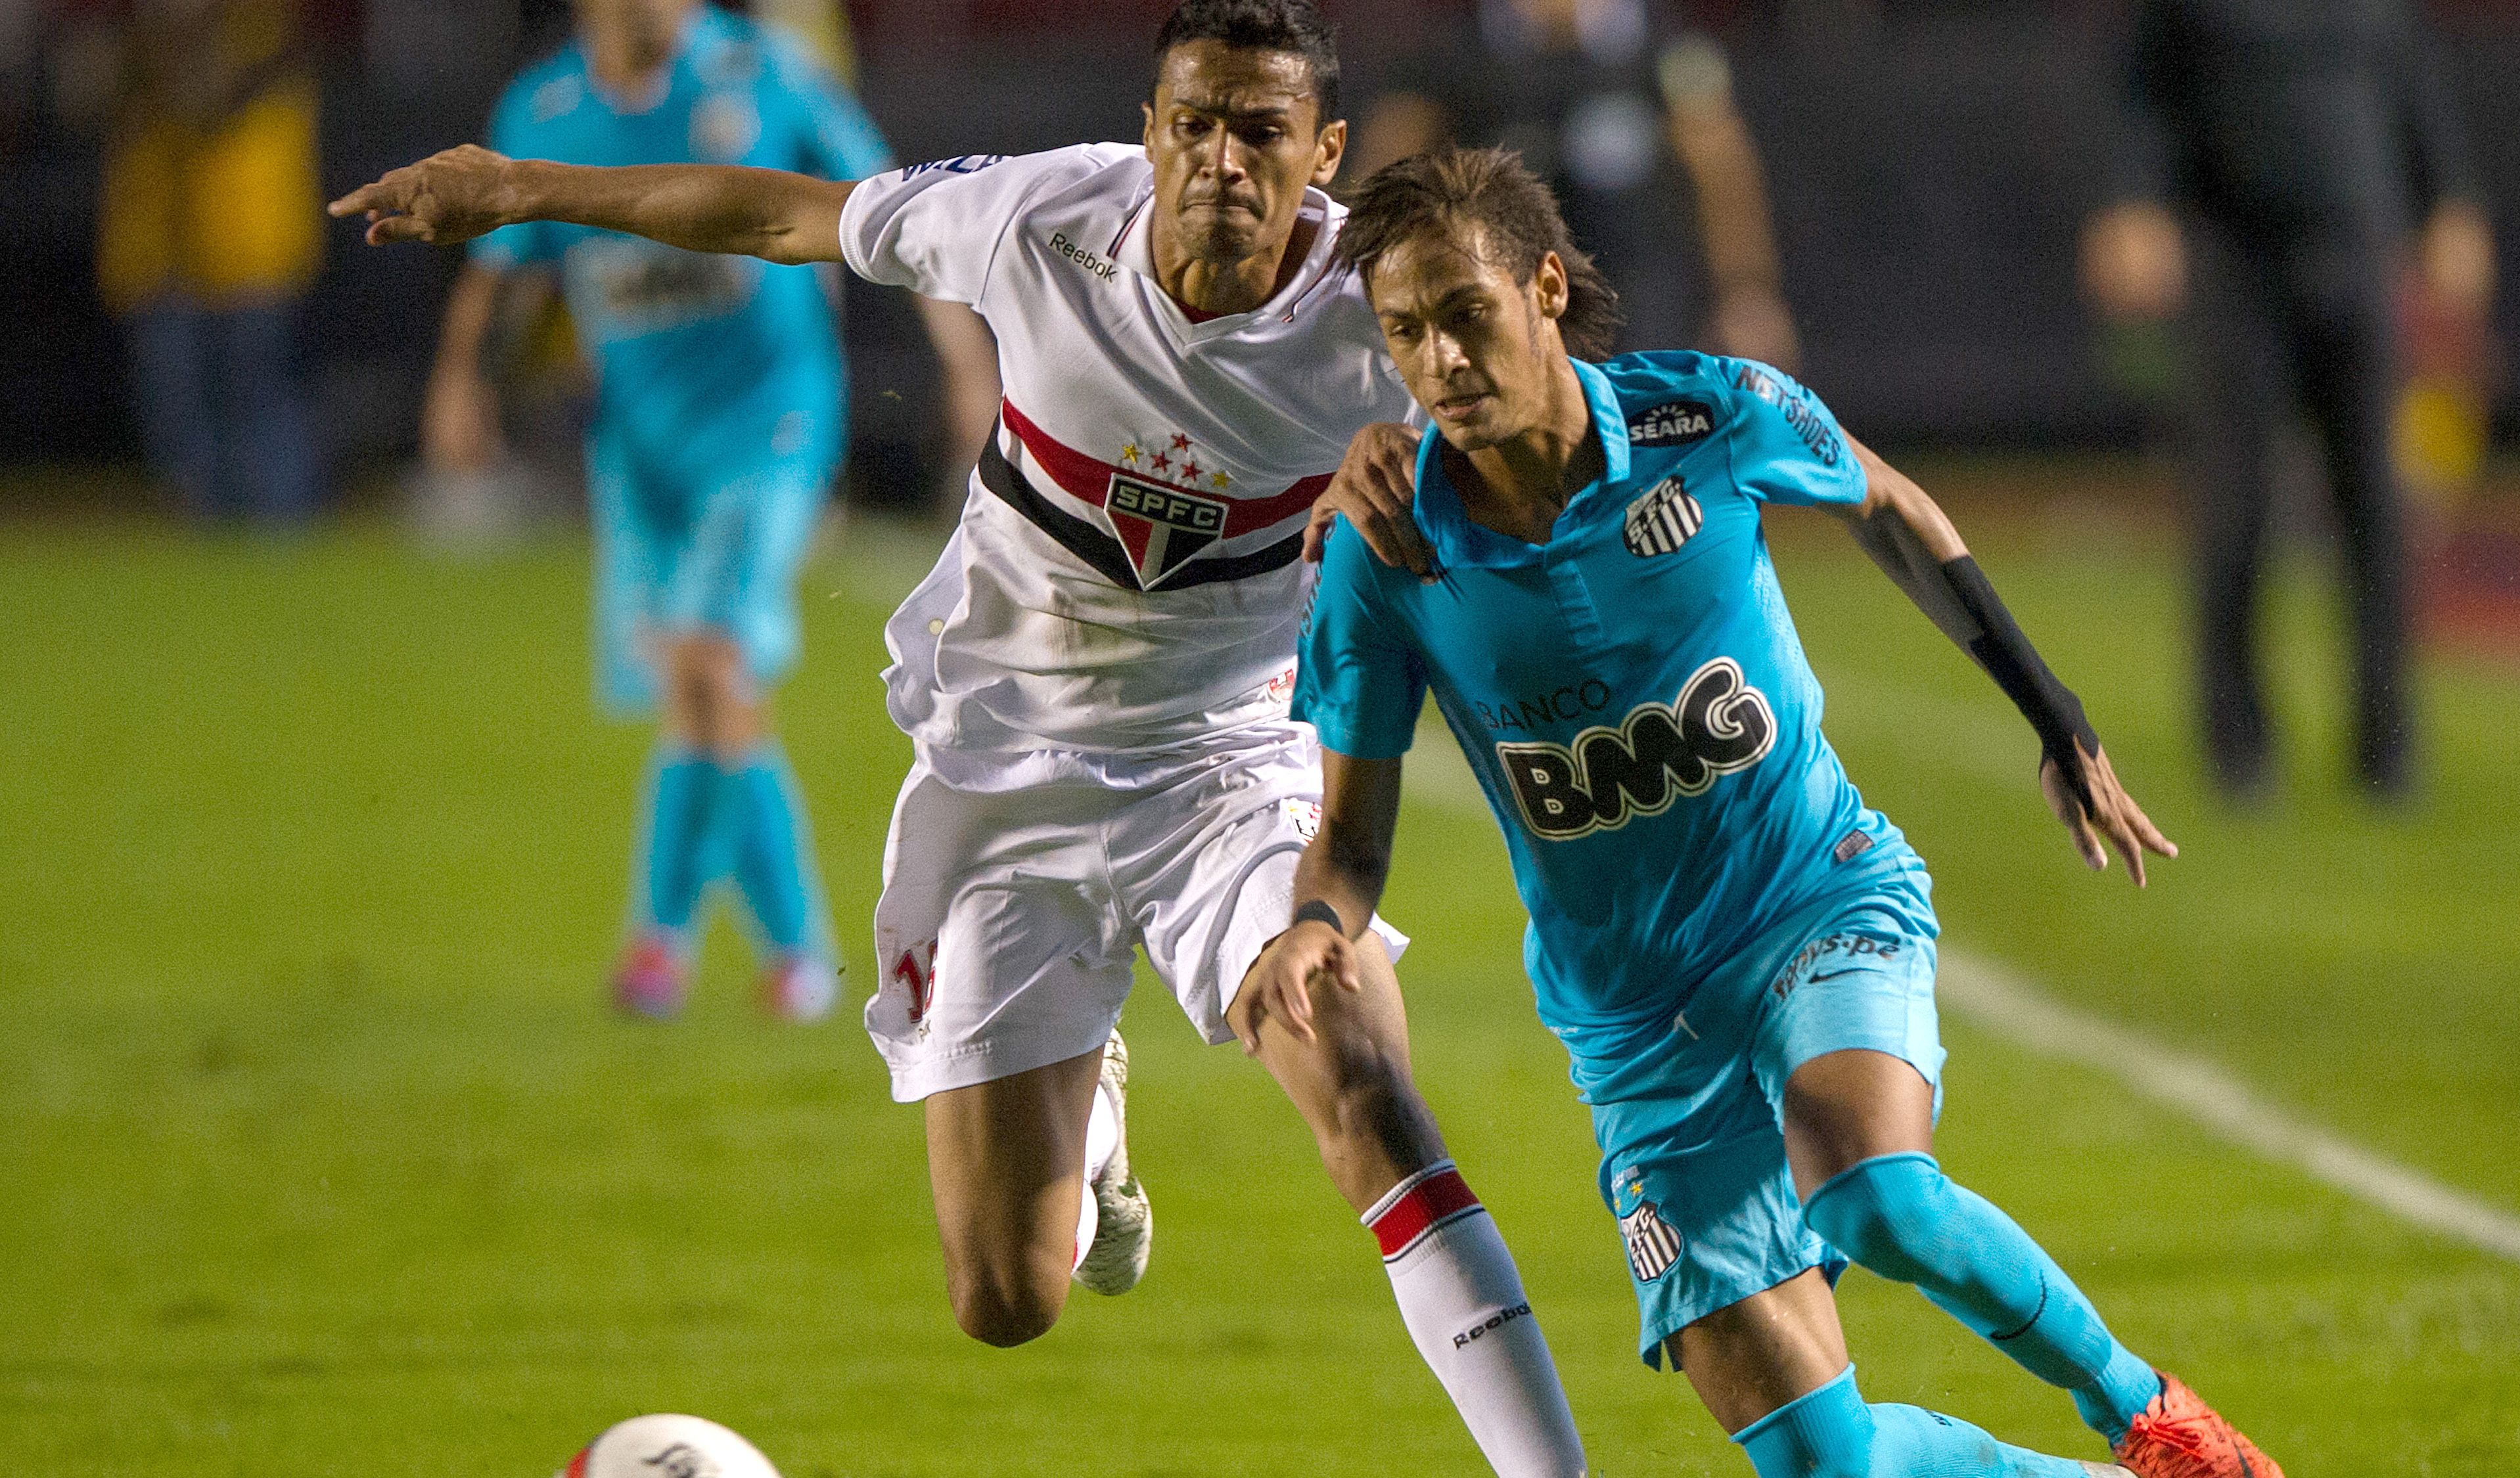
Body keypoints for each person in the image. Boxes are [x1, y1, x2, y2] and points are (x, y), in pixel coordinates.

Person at [332, 5, 1590, 1473]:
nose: (1221, 162)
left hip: (1227, 767)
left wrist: (1456, 476)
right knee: (1006, 1299)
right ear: (1149, 131)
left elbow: (1548, 400)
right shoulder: (1038, 219)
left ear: (1319, 153)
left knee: (1361, 1074)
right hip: (1007, 769)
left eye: (1261, 131)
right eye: (1193, 122)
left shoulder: (1370, 314)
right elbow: (775, 213)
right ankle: (1092, 1121)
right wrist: (521, 183)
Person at [1252, 148, 2281, 1478]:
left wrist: (2053, 711)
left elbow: (1889, 508)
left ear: (1545, 289)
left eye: (1464, 313)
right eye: (1404, 333)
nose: (1439, 359)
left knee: (1873, 1194)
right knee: (1824, 1466)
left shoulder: (1709, 415)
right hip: (1632, 1026)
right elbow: (1350, 837)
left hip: (1813, 899)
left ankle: (2146, 1418)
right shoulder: (1386, 555)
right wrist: (1310, 926)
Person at [417, 0, 997, 1021]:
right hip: (641, 451)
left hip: (772, 424)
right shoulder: (546, 107)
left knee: (707, 660)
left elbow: (895, 205)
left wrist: (961, 360)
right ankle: (750, 952)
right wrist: (462, 378)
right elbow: (503, 262)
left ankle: (701, 949)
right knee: (701, 694)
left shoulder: (759, 69)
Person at [2080, 0, 2493, 802]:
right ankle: (2239, 750)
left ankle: (2387, 751)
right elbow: (2144, 97)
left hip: (2358, 254)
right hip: (2239, 263)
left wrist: (2451, 198)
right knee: (2236, 510)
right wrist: (2129, 203)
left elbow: (2410, 83)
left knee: (2375, 508)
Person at [1350, 0, 1797, 367]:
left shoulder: (1668, 48)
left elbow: (1721, 170)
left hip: (1643, 303)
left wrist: (1747, 292)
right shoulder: (1451, 55)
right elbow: (1387, 168)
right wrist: (1357, 292)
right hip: (1502, 303)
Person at [97, 0, 323, 522]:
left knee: (262, 409)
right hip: (167, 255)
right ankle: (211, 553)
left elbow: (206, 100)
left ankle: (284, 546)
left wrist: (167, 40)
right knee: (183, 418)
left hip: (250, 251)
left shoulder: (261, 27)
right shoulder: (140, 39)